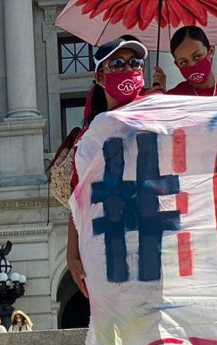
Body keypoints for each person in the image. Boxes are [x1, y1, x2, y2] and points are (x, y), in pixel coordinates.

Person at [66, 36, 151, 300]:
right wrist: (72, 253)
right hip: (109, 245)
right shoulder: (92, 136)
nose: (128, 69)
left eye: (135, 62)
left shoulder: (159, 114)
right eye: (117, 63)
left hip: (154, 240)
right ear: (100, 77)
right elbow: (77, 198)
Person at [154, 27, 217, 97]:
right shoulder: (174, 98)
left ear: (211, 51)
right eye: (183, 62)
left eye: (197, 56)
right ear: (177, 65)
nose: (192, 64)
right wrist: (160, 99)